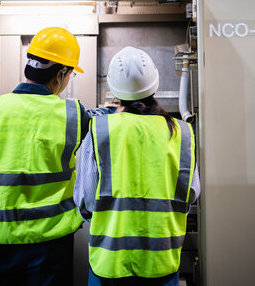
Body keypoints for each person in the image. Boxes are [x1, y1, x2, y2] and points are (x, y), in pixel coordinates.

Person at [0, 27, 109, 285]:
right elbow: (107, 123)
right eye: (70, 75)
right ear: (61, 74)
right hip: (51, 250)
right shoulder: (71, 114)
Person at [74, 46, 200, 285]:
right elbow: (190, 194)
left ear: (114, 89)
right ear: (155, 83)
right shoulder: (182, 133)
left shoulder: (100, 130)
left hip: (109, 264)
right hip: (161, 263)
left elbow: (85, 200)